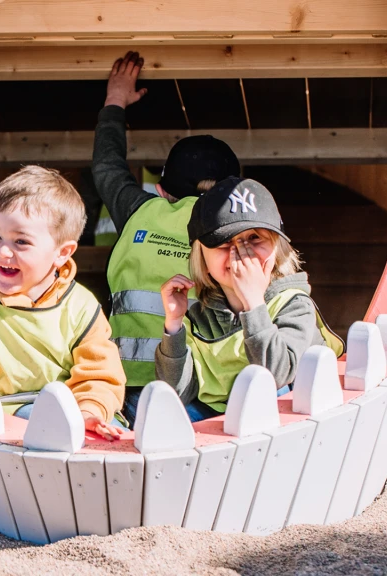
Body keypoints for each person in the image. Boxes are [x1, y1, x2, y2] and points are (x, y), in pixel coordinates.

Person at [0, 166, 126, 440]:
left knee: (119, 435)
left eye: (21, 241)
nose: (3, 251)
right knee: (41, 421)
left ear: (62, 253)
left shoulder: (80, 307)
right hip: (3, 416)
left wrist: (89, 411)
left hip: (74, 411)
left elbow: (100, 374)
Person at [94, 51, 241, 422]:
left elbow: (107, 167)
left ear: (161, 190)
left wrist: (116, 100)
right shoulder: (240, 228)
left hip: (126, 385)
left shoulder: (141, 209)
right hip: (206, 390)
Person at [156, 177, 344, 422]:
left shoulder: (293, 304)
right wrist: (174, 324)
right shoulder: (199, 318)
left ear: (277, 249)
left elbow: (277, 375)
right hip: (220, 425)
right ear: (202, 258)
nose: (240, 253)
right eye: (225, 243)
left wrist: (254, 303)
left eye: (254, 238)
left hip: (287, 424)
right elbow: (176, 393)